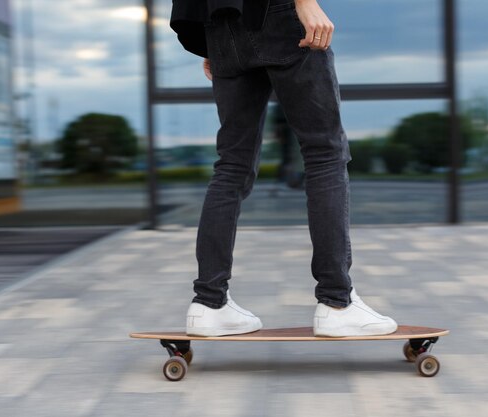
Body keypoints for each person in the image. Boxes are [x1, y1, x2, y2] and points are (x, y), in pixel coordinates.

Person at [170, 0, 398, 337]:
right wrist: (304, 3)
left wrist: (213, 42)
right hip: (278, 13)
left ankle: (209, 302)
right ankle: (337, 302)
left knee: (231, 165)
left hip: (218, 24)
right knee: (325, 153)